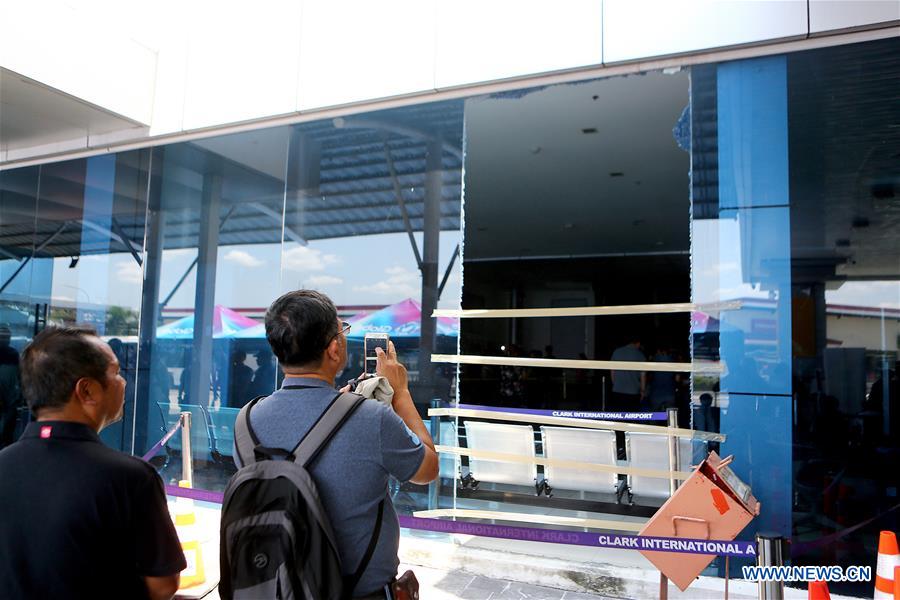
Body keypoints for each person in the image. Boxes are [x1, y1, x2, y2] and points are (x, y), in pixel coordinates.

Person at [240, 290, 438, 598]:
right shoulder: (372, 418)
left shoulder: (246, 421)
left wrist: (341, 409)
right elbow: (428, 469)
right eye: (342, 330)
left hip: (281, 589)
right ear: (334, 349)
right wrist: (400, 393)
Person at [0, 326, 186, 600]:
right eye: (116, 373)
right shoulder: (129, 478)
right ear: (87, 390)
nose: (123, 382)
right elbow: (163, 585)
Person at [610, 334, 646, 410]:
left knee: (618, 417)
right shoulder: (640, 355)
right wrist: (642, 391)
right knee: (631, 418)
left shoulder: (616, 352)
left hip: (617, 391)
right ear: (638, 343)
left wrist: (615, 384)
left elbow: (612, 371)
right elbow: (643, 376)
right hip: (633, 392)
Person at [0, 325, 22, 447]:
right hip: (10, 393)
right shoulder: (13, 354)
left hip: (10, 394)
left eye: (6, 337)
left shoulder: (13, 354)